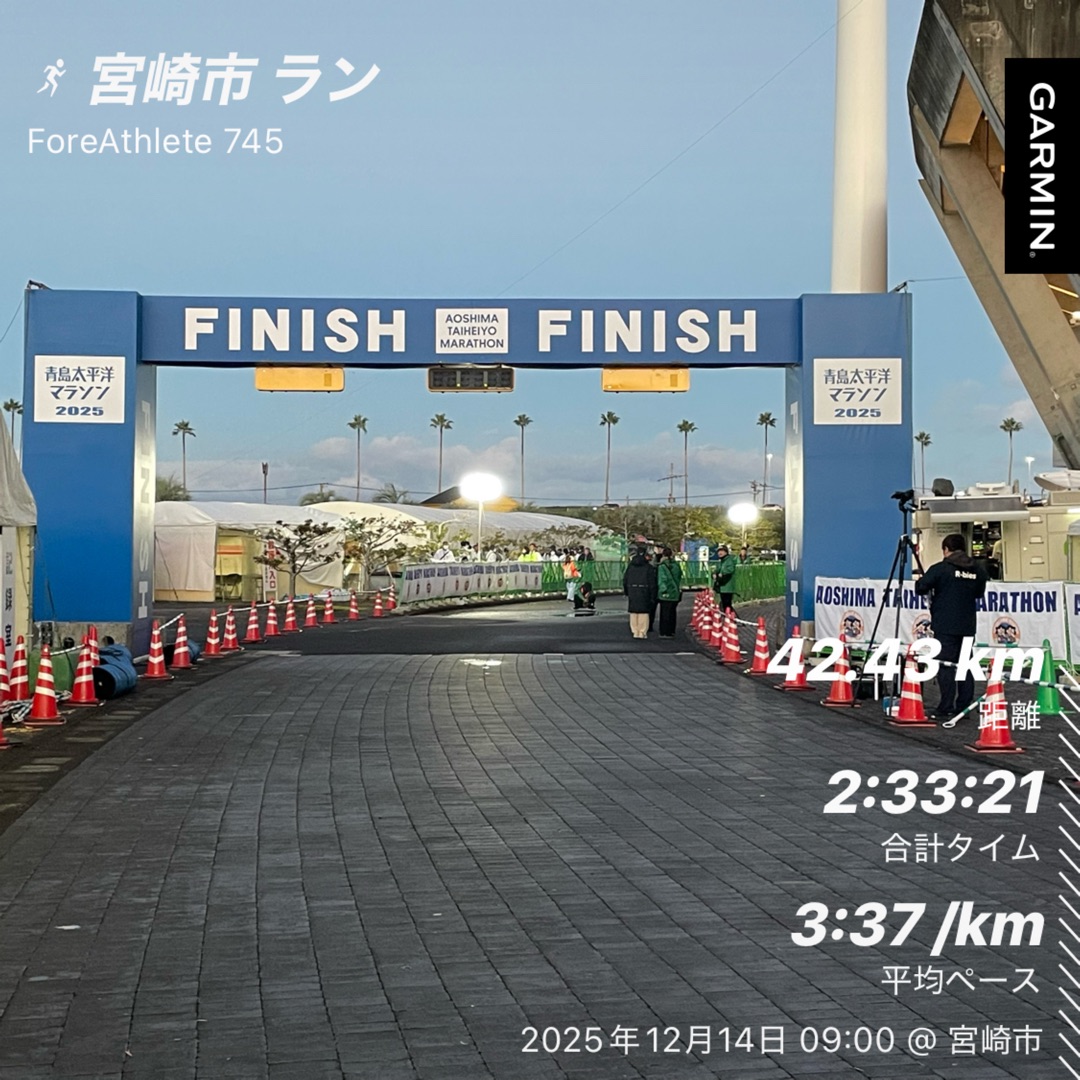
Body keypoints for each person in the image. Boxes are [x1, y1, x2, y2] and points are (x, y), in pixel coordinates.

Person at [914, 533, 988, 718]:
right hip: (967, 625)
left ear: (946, 549)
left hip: (945, 624)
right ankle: (963, 707)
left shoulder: (941, 569)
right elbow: (979, 593)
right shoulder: (977, 570)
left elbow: (920, 587)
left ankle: (946, 706)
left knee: (946, 666)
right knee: (965, 665)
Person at [623, 546, 657, 639]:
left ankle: (635, 631)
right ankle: (642, 632)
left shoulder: (631, 567)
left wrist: (626, 591)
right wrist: (653, 595)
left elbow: (625, 579)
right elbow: (652, 583)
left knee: (633, 612)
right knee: (643, 612)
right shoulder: (648, 567)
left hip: (632, 590)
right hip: (644, 590)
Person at [656, 547, 683, 637]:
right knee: (672, 612)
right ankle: (671, 631)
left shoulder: (662, 566)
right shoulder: (676, 565)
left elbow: (662, 579)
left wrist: (662, 590)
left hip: (666, 593)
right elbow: (679, 576)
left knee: (664, 613)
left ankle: (664, 632)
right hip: (675, 592)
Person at [712, 543, 738, 616]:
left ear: (726, 552)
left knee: (727, 604)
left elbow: (730, 570)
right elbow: (718, 569)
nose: (719, 553)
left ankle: (730, 617)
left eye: (722, 551)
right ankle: (728, 617)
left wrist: (722, 573)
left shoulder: (729, 560)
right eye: (718, 551)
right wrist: (714, 573)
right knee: (724, 603)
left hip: (727, 586)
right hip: (723, 586)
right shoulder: (722, 561)